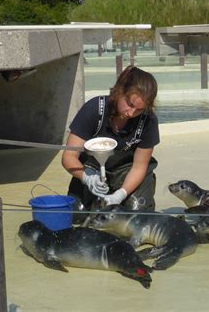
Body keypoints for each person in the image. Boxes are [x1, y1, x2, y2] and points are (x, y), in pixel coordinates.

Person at [62, 66, 159, 221]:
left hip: (127, 170)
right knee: (77, 215)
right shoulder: (94, 109)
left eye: (139, 110)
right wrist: (87, 177)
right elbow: (69, 156)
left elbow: (139, 166)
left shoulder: (149, 121)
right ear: (119, 91)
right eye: (129, 104)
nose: (131, 113)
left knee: (137, 217)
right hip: (92, 167)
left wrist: (121, 194)